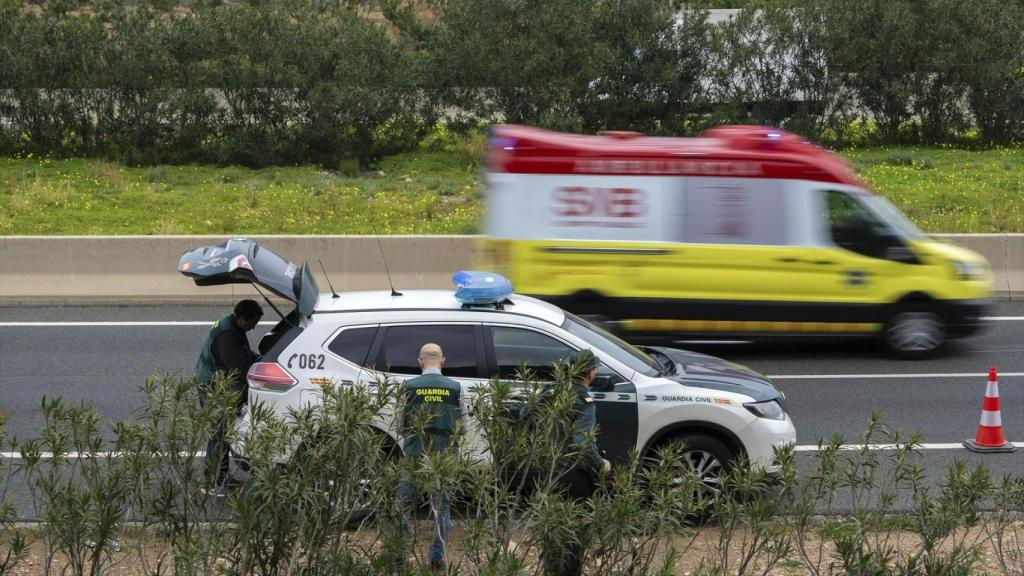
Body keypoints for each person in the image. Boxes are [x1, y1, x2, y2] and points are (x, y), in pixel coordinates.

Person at [545, 348, 611, 576]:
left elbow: (526, 415)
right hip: (573, 474)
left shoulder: (551, 391)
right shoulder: (584, 400)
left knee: (551, 525)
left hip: (547, 468)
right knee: (575, 529)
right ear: (591, 373)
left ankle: (551, 570)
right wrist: (600, 463)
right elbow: (581, 443)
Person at [398, 342, 462, 571]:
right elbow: (462, 428)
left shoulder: (408, 386)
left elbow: (399, 426)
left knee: (403, 506)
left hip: (415, 455)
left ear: (420, 362)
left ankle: (398, 554)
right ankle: (436, 558)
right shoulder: (455, 387)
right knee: (442, 509)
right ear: (443, 361)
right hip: (444, 459)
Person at [194, 299, 263, 496]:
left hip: (218, 380)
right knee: (219, 432)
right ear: (243, 319)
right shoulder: (228, 336)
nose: (254, 326)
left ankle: (221, 476)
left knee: (224, 431)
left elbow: (244, 354)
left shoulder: (233, 327)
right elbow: (239, 370)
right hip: (213, 386)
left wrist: (259, 358)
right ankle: (211, 482)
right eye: (253, 322)